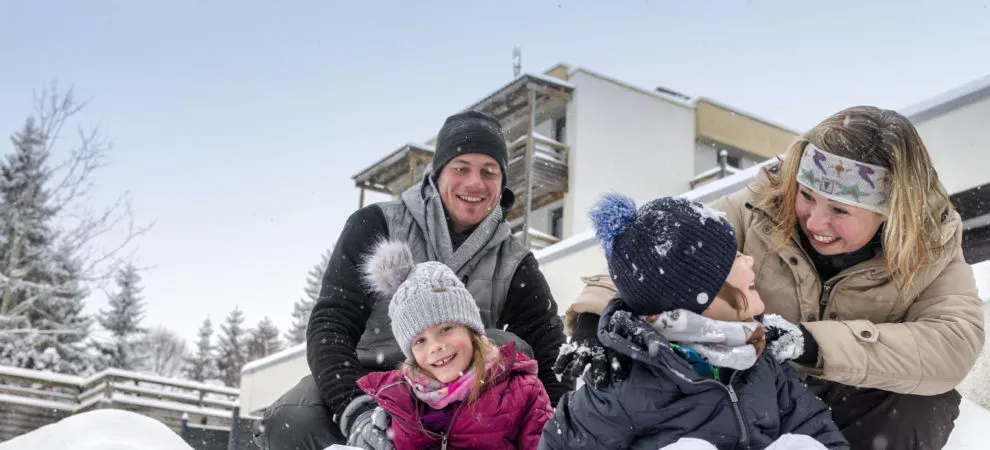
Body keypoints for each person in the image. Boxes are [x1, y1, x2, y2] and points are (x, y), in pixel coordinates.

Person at [554, 106, 986, 450]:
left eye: (840, 210)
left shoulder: (929, 245)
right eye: (808, 195)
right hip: (742, 397)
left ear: (893, 211)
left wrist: (811, 343)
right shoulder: (757, 209)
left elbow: (952, 343)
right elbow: (657, 257)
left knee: (921, 403)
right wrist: (595, 324)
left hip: (851, 404)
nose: (817, 221)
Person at [256, 111, 570, 450]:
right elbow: (330, 324)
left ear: (502, 182)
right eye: (461, 168)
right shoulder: (377, 225)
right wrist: (354, 407)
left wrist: (562, 428)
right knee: (293, 417)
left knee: (509, 344)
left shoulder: (514, 262)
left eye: (488, 172)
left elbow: (550, 354)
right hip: (370, 379)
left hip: (459, 395)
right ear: (437, 175)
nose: (474, 183)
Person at [539, 194, 848, 449]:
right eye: (733, 259)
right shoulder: (626, 382)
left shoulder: (760, 358)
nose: (748, 259)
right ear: (698, 297)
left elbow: (818, 430)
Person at [351, 240, 553, 449]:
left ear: (470, 330)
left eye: (445, 329)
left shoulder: (522, 391)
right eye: (420, 340)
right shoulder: (399, 397)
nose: (435, 346)